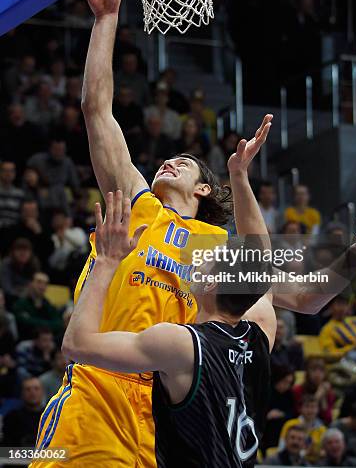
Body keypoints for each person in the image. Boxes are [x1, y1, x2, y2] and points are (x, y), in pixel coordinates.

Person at [32, 0, 356, 468]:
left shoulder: (220, 251)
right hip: (96, 392)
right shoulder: (137, 205)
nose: (168, 161)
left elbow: (306, 295)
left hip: (164, 417)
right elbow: (96, 109)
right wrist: (106, 18)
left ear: (204, 188)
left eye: (185, 162)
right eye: (166, 159)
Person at [61, 191, 275, 468]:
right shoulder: (260, 336)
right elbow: (261, 264)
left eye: (207, 259)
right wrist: (240, 176)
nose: (197, 260)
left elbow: (76, 345)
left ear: (210, 284)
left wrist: (106, 261)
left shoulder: (182, 343)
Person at [319, 295, 356, 366]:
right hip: (350, 357)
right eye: (339, 304)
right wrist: (353, 347)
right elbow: (330, 354)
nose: (342, 308)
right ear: (331, 307)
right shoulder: (327, 329)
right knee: (352, 356)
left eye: (344, 304)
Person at [3, 377, 45, 447]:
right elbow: (6, 449)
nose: (32, 392)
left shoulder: (52, 416)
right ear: (21, 393)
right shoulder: (11, 417)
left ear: (42, 392)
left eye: (36, 388)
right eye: (28, 389)